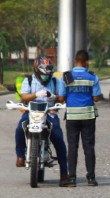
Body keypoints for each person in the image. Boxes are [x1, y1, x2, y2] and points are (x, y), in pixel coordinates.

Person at [15, 55, 70, 187]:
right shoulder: (28, 80)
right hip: (31, 111)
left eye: (48, 74)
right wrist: (36, 95)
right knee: (19, 128)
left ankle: (64, 174)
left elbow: (61, 98)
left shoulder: (57, 81)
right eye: (43, 74)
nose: (45, 77)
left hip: (49, 112)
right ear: (36, 71)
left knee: (58, 137)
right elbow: (24, 96)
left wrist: (54, 97)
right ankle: (20, 156)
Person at [58, 50, 102, 187]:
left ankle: (72, 178)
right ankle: (91, 178)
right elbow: (96, 98)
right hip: (88, 116)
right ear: (86, 61)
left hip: (72, 116)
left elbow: (60, 97)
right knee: (89, 147)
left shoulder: (66, 76)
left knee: (72, 147)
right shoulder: (92, 77)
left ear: (75, 61)